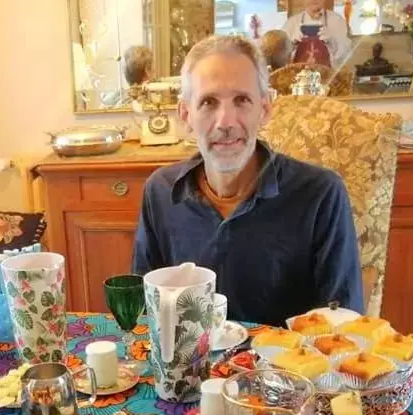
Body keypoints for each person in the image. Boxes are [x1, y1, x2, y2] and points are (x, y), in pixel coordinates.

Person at [132, 35, 363, 326]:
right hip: (189, 368)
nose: (226, 122)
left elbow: (343, 322)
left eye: (242, 100)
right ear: (185, 114)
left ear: (264, 109)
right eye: (208, 102)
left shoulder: (321, 194)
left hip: (285, 368)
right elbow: (145, 309)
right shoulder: (160, 192)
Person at [283, 0, 351, 68]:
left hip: (328, 77)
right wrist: (290, 45)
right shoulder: (291, 23)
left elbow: (346, 58)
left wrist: (333, 42)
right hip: (297, 76)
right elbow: (279, 59)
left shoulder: (337, 21)